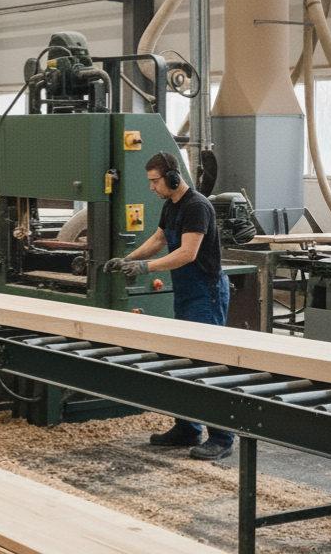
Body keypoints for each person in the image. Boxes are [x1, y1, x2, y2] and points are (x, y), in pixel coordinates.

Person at [104, 151, 234, 461]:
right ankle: (187, 429)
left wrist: (146, 269)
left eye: (154, 181)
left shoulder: (197, 207)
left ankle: (222, 438)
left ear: (173, 179)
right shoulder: (171, 205)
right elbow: (160, 239)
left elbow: (187, 253)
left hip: (206, 290)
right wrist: (129, 259)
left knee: (208, 365)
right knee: (182, 361)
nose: (151, 187)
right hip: (186, 291)